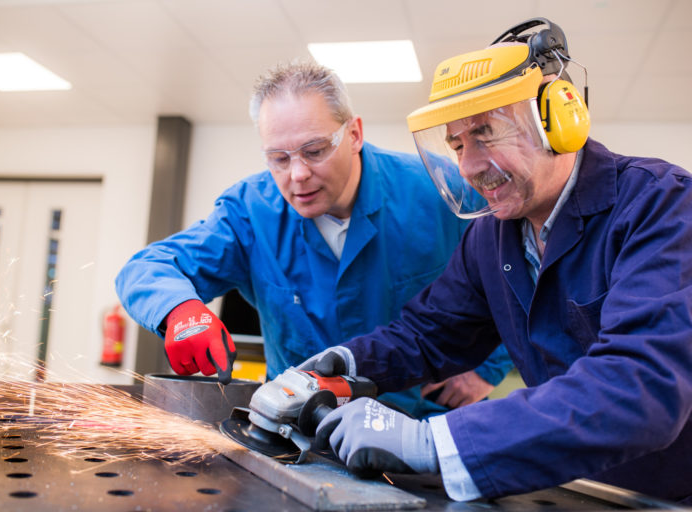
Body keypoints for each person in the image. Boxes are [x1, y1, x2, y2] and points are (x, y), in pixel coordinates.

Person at [301, 18, 692, 503]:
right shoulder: (491, 235)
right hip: (572, 487)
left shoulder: (661, 206)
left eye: (485, 133)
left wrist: (435, 441)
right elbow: (429, 334)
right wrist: (345, 364)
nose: (468, 166)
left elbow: (642, 387)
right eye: (458, 144)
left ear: (558, 119)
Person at [115, 60, 513, 418]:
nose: (297, 174)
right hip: (298, 428)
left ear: (354, 133)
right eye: (279, 158)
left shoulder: (438, 189)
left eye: (315, 150)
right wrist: (179, 309)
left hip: (419, 423)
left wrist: (488, 368)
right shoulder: (251, 211)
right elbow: (148, 267)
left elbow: (515, 272)